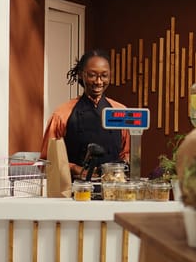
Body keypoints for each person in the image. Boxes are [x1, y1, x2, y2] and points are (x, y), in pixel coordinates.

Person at [40, 49, 130, 179]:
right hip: (74, 190)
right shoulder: (62, 114)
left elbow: (125, 154)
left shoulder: (120, 111)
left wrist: (121, 167)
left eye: (104, 76)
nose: (99, 82)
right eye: (92, 75)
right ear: (81, 75)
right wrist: (74, 169)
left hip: (113, 189)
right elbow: (47, 161)